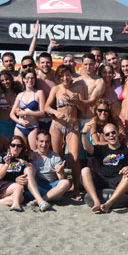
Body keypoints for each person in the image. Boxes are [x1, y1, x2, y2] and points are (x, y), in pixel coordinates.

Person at [45, 65, 86, 195]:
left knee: (75, 158)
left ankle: (76, 189)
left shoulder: (78, 88)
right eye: (62, 75)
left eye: (67, 75)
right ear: (58, 77)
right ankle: (62, 186)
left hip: (72, 127)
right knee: (58, 158)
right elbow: (46, 107)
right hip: (57, 127)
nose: (65, 78)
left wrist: (77, 102)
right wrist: (55, 112)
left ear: (71, 75)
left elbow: (83, 108)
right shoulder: (56, 89)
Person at [81, 123, 128, 213]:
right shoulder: (101, 149)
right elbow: (87, 148)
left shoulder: (126, 150)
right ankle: (96, 202)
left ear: (118, 133)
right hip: (102, 180)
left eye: (113, 132)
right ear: (105, 137)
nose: (111, 135)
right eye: (107, 134)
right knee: (85, 170)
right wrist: (84, 133)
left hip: (117, 181)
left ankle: (108, 204)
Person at [0, 135, 50, 212]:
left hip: (15, 187)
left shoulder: (24, 157)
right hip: (1, 185)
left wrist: (25, 163)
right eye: (13, 145)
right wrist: (6, 164)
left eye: (19, 146)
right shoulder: (3, 157)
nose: (15, 148)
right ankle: (16, 205)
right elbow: (0, 175)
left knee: (20, 198)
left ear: (22, 148)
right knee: (18, 187)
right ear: (9, 146)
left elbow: (33, 172)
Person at [27, 130, 71, 204]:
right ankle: (41, 199)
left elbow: (61, 178)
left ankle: (40, 200)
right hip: (36, 187)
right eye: (41, 141)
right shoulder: (30, 155)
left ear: (50, 143)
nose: (44, 144)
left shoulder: (55, 157)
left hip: (51, 188)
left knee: (66, 183)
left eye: (47, 142)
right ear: (36, 142)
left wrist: (61, 172)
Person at [10, 70, 46, 150]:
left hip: (33, 127)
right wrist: (20, 122)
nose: (30, 80)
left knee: (34, 152)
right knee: (19, 151)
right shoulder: (20, 95)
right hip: (20, 127)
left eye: (32, 78)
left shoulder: (39, 93)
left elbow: (43, 113)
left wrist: (27, 112)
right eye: (28, 78)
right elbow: (11, 114)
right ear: (23, 79)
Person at [0, 70, 22, 138]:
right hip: (2, 124)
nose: (5, 82)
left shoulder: (17, 93)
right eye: (2, 80)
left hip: (16, 123)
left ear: (11, 79)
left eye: (7, 79)